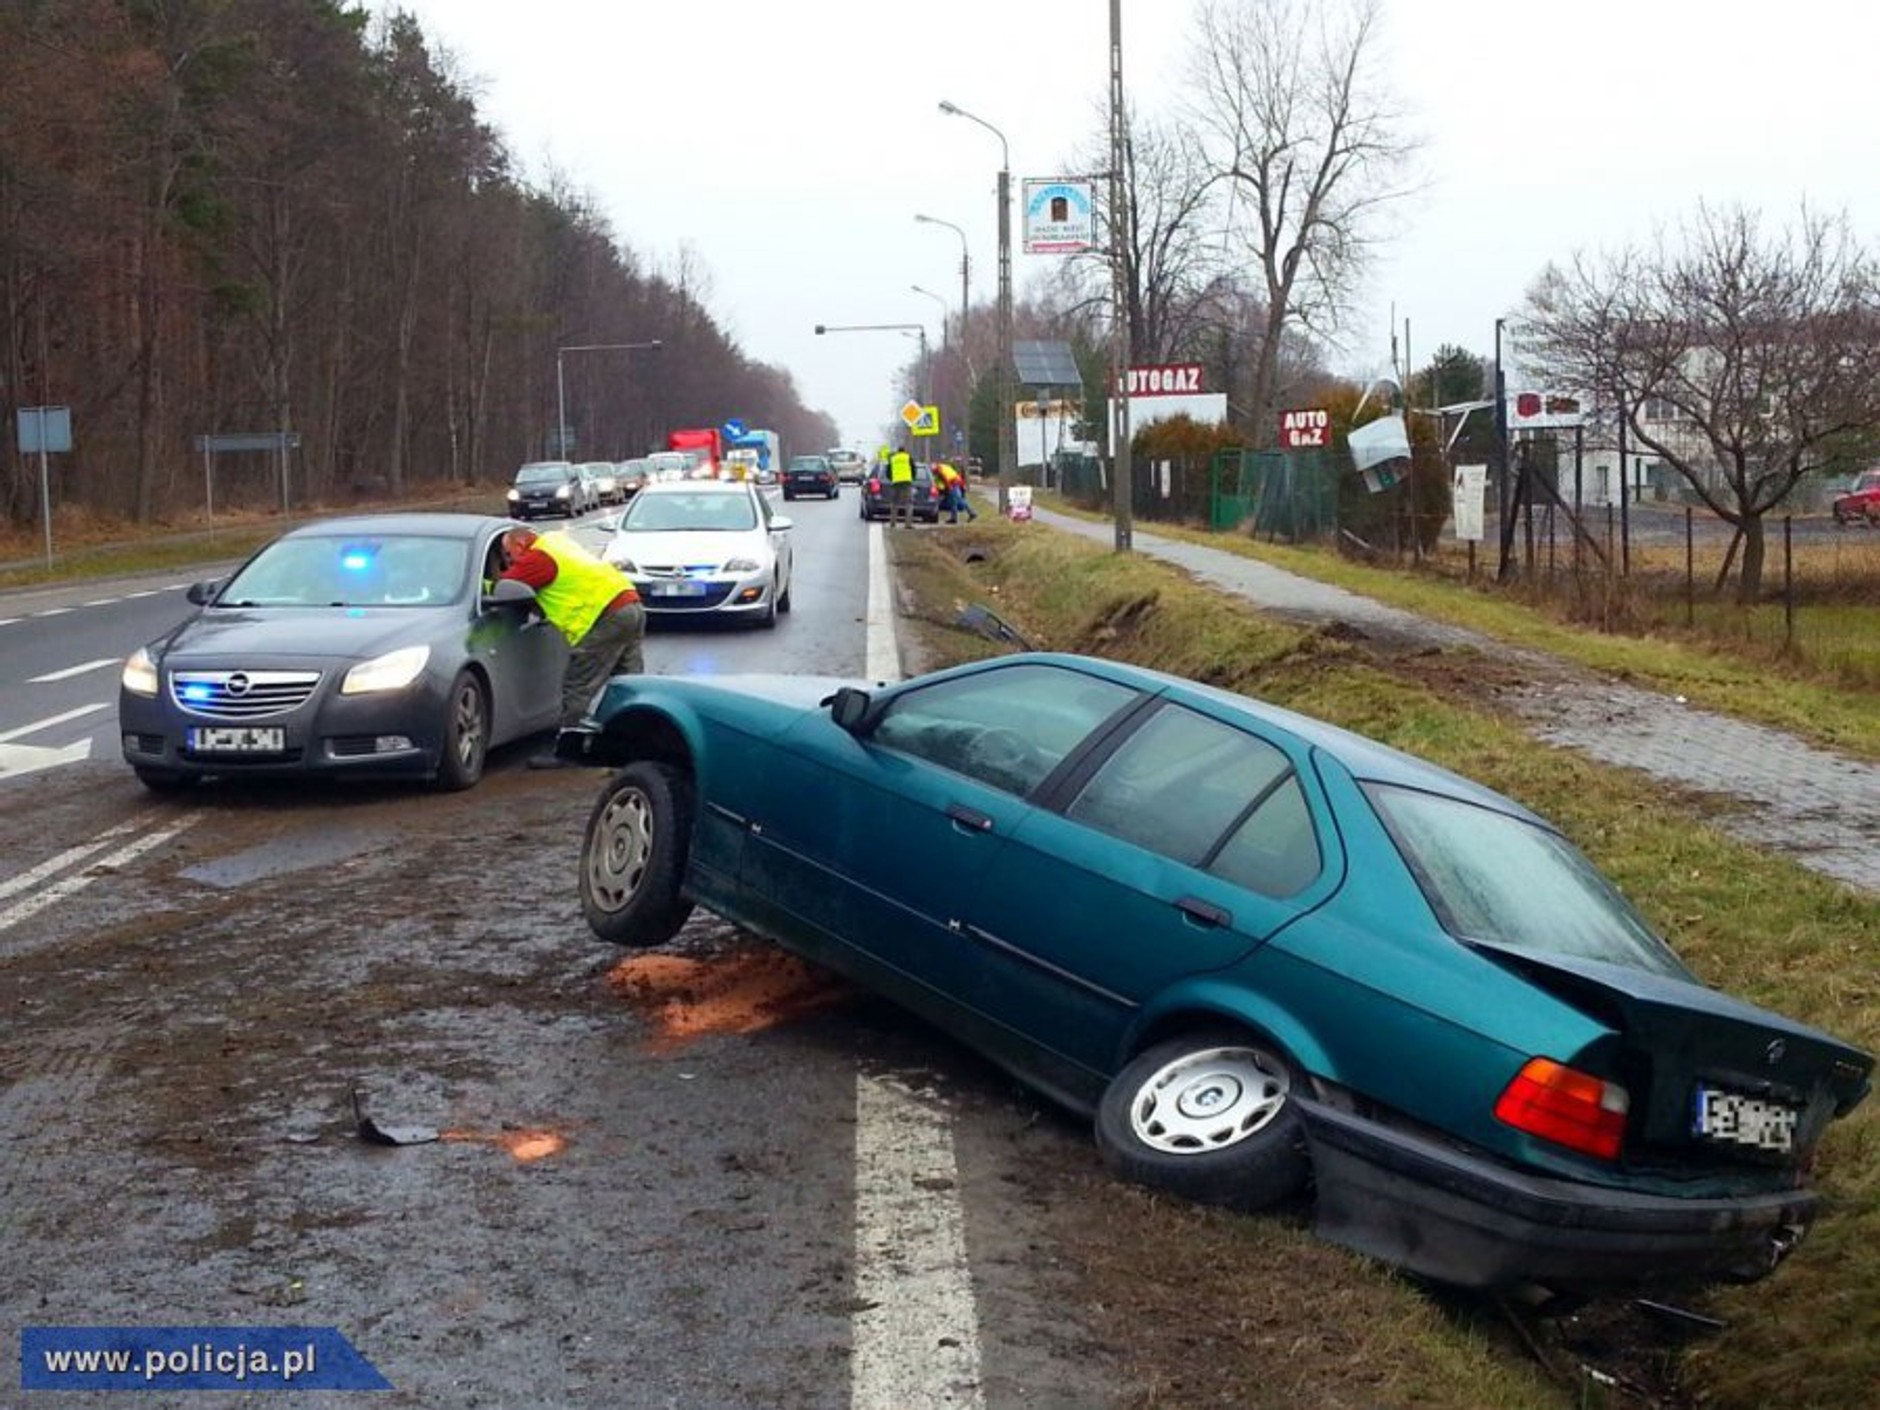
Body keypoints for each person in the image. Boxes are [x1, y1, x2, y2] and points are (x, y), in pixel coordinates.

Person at [495, 525, 645, 768]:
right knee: (629, 684)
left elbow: (505, 585)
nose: (509, 561)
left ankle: (569, 753)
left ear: (521, 545)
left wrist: (489, 580)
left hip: (605, 616)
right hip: (630, 604)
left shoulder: (538, 558)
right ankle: (638, 747)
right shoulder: (555, 541)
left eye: (509, 555)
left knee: (578, 684)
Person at [887, 444, 916, 529]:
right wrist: (912, 478)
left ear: (898, 451)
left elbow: (888, 471)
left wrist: (892, 478)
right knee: (908, 503)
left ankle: (892, 523)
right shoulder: (908, 457)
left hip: (896, 482)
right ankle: (908, 524)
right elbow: (914, 469)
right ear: (904, 451)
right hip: (907, 482)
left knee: (894, 503)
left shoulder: (893, 458)